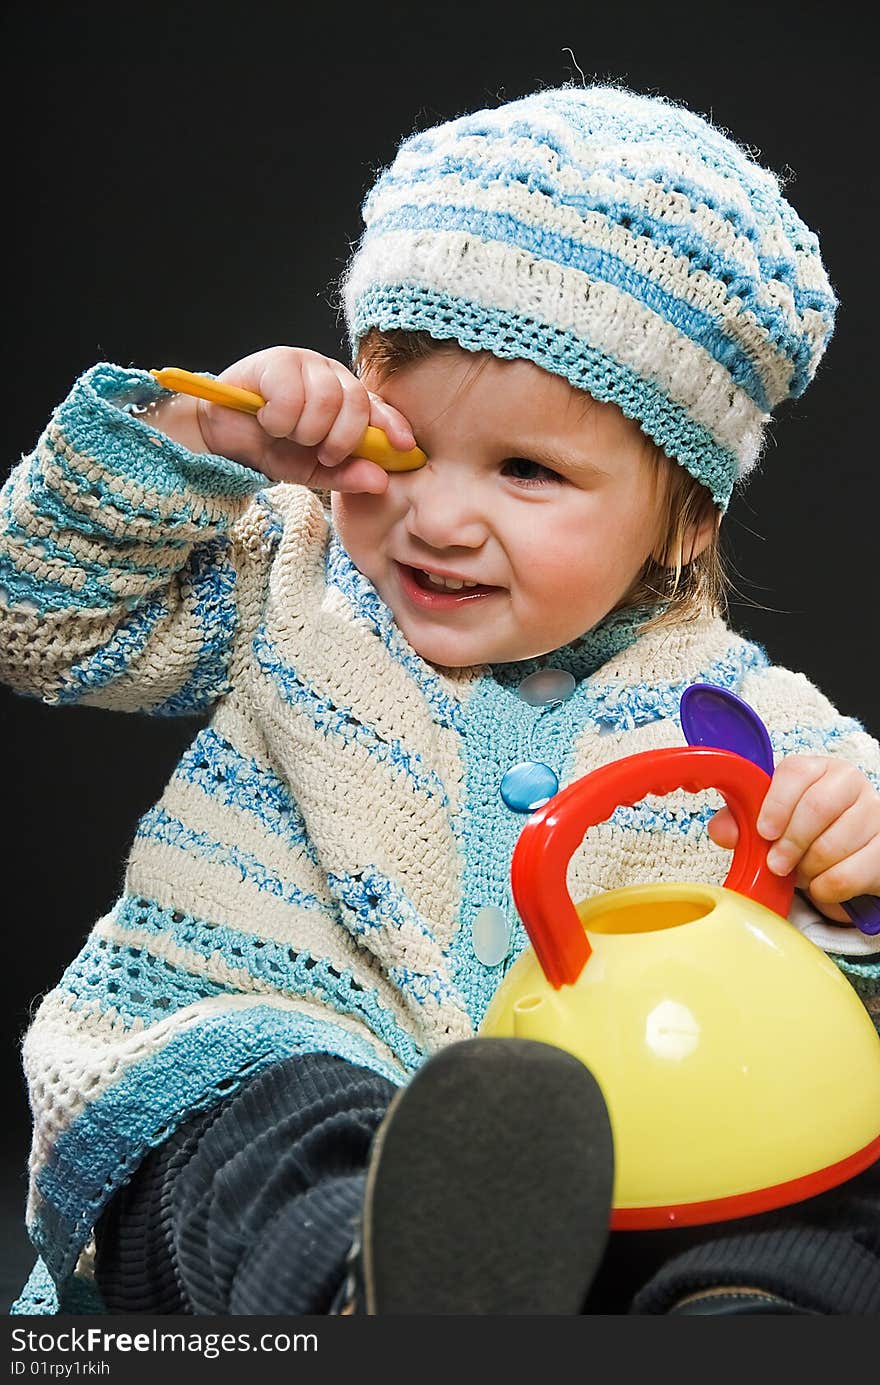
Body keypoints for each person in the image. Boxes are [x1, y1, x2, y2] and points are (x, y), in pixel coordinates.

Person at [3, 83, 879, 1318]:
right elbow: (37, 621)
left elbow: (846, 939)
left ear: (685, 518)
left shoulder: (742, 724)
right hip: (275, 1040)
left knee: (807, 1174)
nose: (438, 517)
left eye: (527, 470)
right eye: (401, 448)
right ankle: (376, 1287)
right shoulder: (285, 582)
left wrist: (860, 873)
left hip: (639, 1141)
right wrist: (194, 439)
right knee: (250, 1123)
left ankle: (740, 1307)